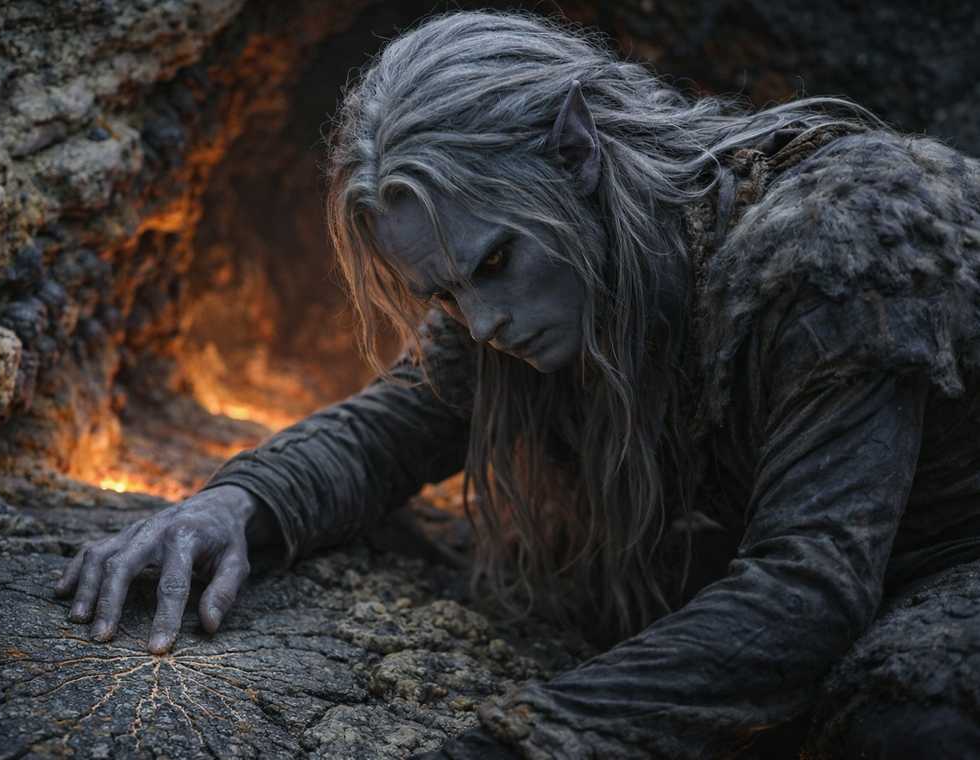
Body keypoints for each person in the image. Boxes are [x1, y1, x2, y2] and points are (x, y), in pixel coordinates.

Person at [55, 11, 980, 758]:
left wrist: (527, 741)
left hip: (953, 559)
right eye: (447, 294)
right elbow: (396, 424)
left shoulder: (835, 248)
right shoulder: (528, 297)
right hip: (850, 572)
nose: (485, 324)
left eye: (495, 262)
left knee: (913, 723)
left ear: (577, 153)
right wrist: (233, 505)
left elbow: (807, 587)